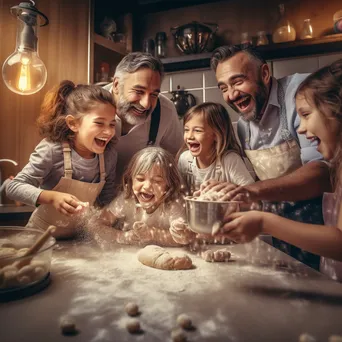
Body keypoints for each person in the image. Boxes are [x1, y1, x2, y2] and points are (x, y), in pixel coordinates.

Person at [206, 45, 332, 269]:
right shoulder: (244, 125)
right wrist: (232, 196)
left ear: (264, 73)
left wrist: (251, 192)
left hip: (321, 229)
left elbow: (322, 171)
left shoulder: (302, 93)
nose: (231, 95)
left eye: (237, 81)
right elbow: (263, 183)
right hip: (281, 232)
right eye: (223, 87)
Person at [6, 80, 117, 239]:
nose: (108, 131)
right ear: (73, 123)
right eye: (99, 123)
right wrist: (52, 197)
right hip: (40, 240)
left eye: (112, 124)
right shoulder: (52, 150)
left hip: (79, 240)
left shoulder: (109, 156)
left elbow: (106, 199)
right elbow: (13, 187)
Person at [103, 52, 183, 189]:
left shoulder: (165, 111)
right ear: (116, 85)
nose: (146, 104)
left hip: (140, 199)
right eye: (139, 91)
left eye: (153, 94)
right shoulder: (89, 104)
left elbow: (176, 160)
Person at [90, 147, 194, 247]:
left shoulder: (173, 204)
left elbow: (184, 239)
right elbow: (96, 224)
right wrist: (122, 236)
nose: (147, 186)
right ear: (130, 180)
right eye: (140, 179)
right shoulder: (127, 199)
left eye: (157, 181)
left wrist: (153, 234)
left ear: (169, 184)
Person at [177, 102, 254, 196]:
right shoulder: (184, 159)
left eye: (197, 130)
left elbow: (252, 196)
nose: (189, 136)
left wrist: (231, 191)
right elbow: (179, 193)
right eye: (186, 130)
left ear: (217, 134)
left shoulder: (230, 160)